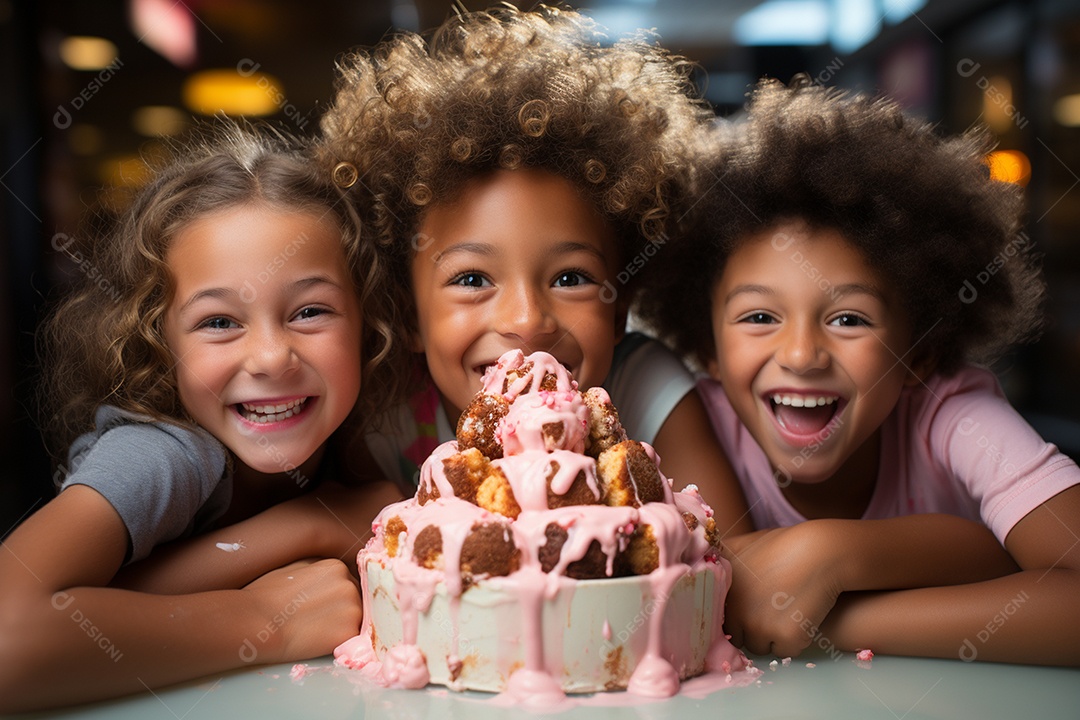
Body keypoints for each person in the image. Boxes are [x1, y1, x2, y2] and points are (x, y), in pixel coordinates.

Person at [635, 78, 1080, 665]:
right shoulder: (695, 426)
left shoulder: (952, 414)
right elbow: (721, 595)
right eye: (760, 316)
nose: (800, 355)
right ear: (708, 346)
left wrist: (836, 569)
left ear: (919, 351)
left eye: (848, 318)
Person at [0, 122, 409, 711]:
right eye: (219, 322)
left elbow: (126, 594)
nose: (271, 356)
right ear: (159, 344)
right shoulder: (163, 454)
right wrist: (268, 615)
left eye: (310, 311)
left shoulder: (352, 438)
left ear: (368, 325)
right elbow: (10, 635)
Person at [317, 5, 752, 536]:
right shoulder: (387, 416)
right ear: (408, 313)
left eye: (571, 278)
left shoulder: (643, 387)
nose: (526, 321)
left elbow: (725, 556)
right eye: (472, 279)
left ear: (621, 311)